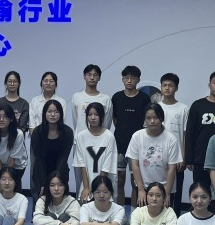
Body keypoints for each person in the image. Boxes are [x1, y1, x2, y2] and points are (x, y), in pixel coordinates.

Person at [127, 103, 181, 208]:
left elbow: (172, 168)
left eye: (156, 117)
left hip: (164, 188)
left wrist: (167, 194)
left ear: (162, 118)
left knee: (164, 217)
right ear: (144, 119)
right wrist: (141, 189)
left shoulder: (171, 139)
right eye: (148, 118)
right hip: (144, 187)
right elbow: (135, 165)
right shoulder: (137, 136)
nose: (152, 121)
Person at [112, 65, 151, 206]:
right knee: (119, 180)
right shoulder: (117, 97)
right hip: (119, 144)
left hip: (138, 146)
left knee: (136, 181)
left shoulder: (144, 98)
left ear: (138, 80)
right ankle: (120, 211)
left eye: (133, 78)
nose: (129, 81)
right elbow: (115, 119)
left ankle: (135, 212)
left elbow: (146, 120)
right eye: (126, 78)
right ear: (122, 79)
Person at [185, 70, 215, 187]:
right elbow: (190, 132)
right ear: (209, 85)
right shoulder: (197, 105)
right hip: (200, 158)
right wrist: (189, 159)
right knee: (201, 191)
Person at [157, 73, 189, 215]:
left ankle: (174, 218)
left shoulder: (183, 108)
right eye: (164, 85)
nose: (167, 88)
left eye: (170, 85)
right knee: (158, 189)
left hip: (177, 158)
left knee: (176, 191)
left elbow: (185, 134)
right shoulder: (156, 107)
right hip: (158, 156)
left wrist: (183, 157)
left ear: (176, 88)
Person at [29, 99, 73, 199]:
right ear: (44, 113)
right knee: (41, 202)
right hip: (41, 172)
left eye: (56, 112)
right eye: (49, 111)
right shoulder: (37, 132)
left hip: (60, 171)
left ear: (61, 114)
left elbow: (63, 158)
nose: (52, 115)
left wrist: (56, 182)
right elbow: (38, 159)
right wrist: (44, 184)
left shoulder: (67, 132)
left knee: (59, 201)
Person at [74, 102, 118, 204]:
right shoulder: (81, 136)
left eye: (96, 114)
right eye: (90, 114)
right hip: (87, 181)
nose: (93, 118)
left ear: (101, 116)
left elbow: (107, 166)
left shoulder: (109, 136)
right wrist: (86, 187)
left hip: (105, 182)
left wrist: (98, 189)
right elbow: (81, 164)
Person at [0, 103, 27, 186]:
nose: (1, 119)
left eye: (5, 116)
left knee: (13, 188)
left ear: (11, 119)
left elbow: (12, 160)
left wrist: (7, 179)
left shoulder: (18, 134)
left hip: (17, 165)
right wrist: (0, 182)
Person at [71, 64, 113, 135]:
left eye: (95, 75)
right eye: (89, 75)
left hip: (100, 139)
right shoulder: (76, 97)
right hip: (80, 139)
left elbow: (106, 124)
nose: (92, 78)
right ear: (84, 76)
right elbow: (76, 121)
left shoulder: (106, 99)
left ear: (99, 78)